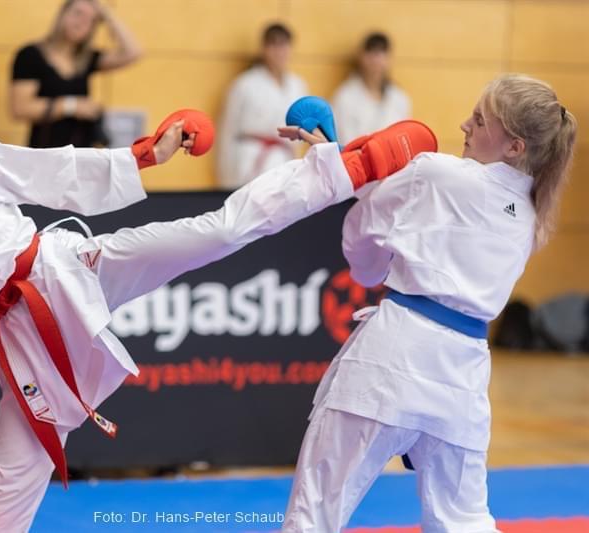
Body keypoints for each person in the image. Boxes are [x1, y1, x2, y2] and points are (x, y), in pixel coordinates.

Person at [0, 89, 432, 531]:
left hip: (66, 269)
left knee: (213, 232)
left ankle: (346, 169)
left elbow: (49, 172)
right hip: (18, 332)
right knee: (13, 475)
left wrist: (146, 155)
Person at [281, 74, 576, 532]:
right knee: (465, 521)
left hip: (391, 359)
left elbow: (364, 232)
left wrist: (335, 162)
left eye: (480, 121)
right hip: (463, 380)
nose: (464, 126)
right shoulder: (532, 214)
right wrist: (341, 161)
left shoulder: (436, 173)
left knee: (315, 513)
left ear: (514, 146)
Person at [9, 0, 141, 148]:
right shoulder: (31, 55)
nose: (82, 22)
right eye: (78, 13)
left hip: (81, 152)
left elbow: (133, 52)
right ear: (62, 14)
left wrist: (107, 14)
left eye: (91, 20)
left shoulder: (87, 59)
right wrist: (72, 106)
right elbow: (20, 108)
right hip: (45, 151)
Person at [217, 23, 307, 189]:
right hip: (249, 159)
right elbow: (227, 131)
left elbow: (303, 131)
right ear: (264, 49)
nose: (279, 52)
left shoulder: (297, 85)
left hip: (284, 159)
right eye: (274, 45)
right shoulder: (244, 84)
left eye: (284, 45)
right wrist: (226, 180)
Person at [331, 32, 410, 145]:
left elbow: (404, 138)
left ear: (389, 58)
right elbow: (342, 141)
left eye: (382, 53)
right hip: (355, 155)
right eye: (372, 53)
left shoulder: (399, 97)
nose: (376, 60)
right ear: (361, 57)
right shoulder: (345, 96)